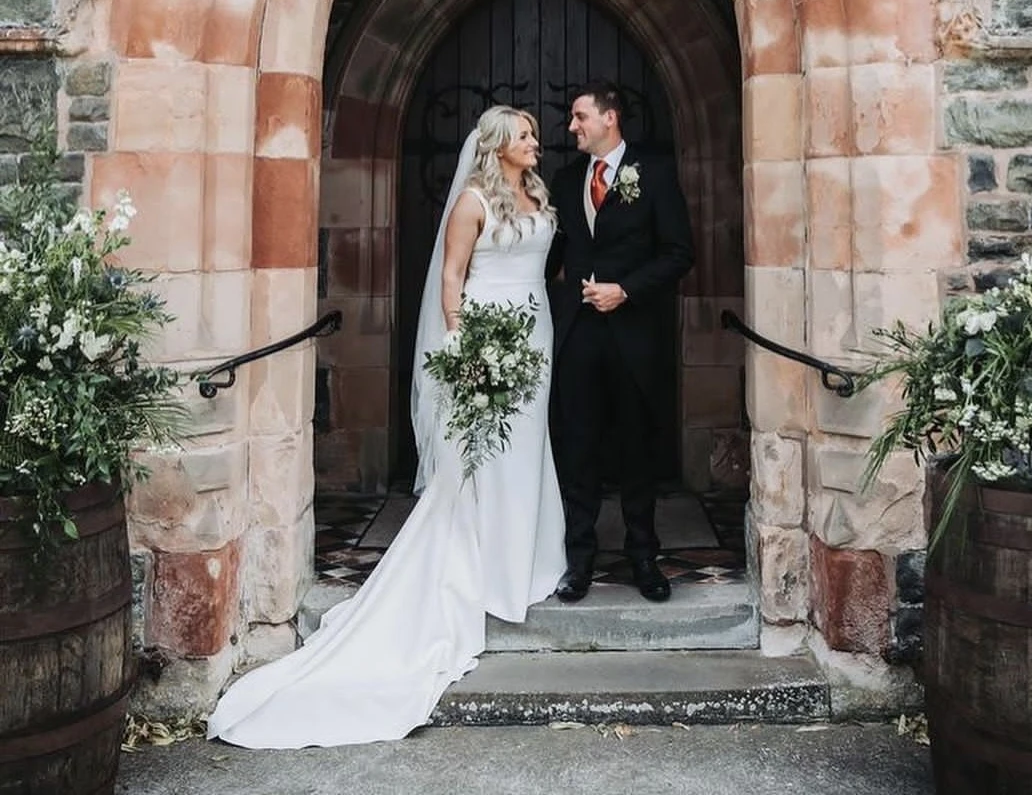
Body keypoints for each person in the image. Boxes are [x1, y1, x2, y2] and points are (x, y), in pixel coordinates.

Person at [206, 106, 566, 748]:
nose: (537, 142)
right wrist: (466, 351)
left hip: (533, 334)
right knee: (485, 459)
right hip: (488, 337)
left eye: (535, 134)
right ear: (497, 146)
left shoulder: (536, 193)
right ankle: (482, 574)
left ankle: (527, 562)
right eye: (526, 135)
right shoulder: (473, 202)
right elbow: (452, 281)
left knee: (528, 451)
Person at [547, 80, 695, 605]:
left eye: (580, 116)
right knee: (578, 448)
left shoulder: (653, 175)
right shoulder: (566, 182)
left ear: (610, 119)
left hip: (635, 335)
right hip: (579, 337)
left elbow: (680, 252)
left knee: (637, 451)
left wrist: (626, 290)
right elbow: (552, 253)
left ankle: (643, 559)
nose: (572, 127)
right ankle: (578, 561)